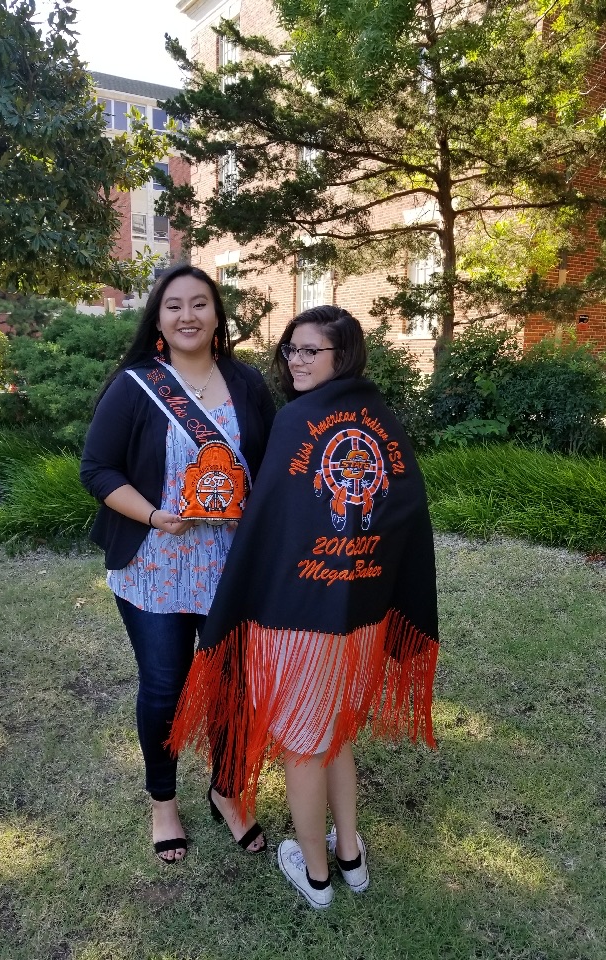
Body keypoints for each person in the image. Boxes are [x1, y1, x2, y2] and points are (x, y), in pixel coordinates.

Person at [168, 305, 439, 906]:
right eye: (291, 349)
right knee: (336, 732)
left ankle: (315, 874)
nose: (294, 361)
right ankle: (351, 857)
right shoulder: (384, 424)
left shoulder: (297, 422)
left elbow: (272, 525)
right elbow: (402, 518)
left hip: (297, 619)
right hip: (361, 616)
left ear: (342, 356)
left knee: (302, 742)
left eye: (308, 351)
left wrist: (247, 595)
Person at [80, 264, 276, 863]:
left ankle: (228, 789)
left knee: (235, 689)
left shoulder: (247, 385)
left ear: (218, 315)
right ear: (158, 320)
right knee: (165, 686)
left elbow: (272, 471)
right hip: (155, 564)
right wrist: (155, 515)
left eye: (199, 304)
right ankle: (163, 801)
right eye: (173, 306)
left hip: (232, 566)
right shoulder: (137, 384)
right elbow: (98, 470)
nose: (187, 315)